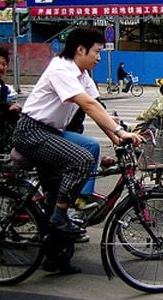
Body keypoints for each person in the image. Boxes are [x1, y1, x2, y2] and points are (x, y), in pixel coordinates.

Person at [12, 27, 143, 250]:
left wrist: (117, 138)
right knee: (81, 159)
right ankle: (62, 213)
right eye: (97, 52)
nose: (100, 58)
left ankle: (57, 255)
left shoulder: (83, 75)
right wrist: (119, 133)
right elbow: (88, 105)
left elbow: (98, 108)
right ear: (80, 50)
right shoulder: (60, 69)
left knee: (90, 147)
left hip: (51, 133)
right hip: (31, 131)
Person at [0, 48, 21, 151]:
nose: (1, 67)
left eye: (4, 64)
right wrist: (8, 106)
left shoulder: (3, 88)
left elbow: (2, 111)